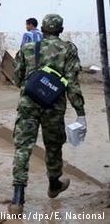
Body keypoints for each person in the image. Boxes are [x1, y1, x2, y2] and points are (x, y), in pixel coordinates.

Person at [8, 14, 86, 215]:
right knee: (53, 146)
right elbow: (73, 84)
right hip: (54, 106)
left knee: (23, 148)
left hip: (28, 104)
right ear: (60, 30)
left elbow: (17, 79)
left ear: (42, 29)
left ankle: (18, 200)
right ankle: (54, 185)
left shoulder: (27, 48)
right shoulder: (68, 49)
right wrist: (80, 112)